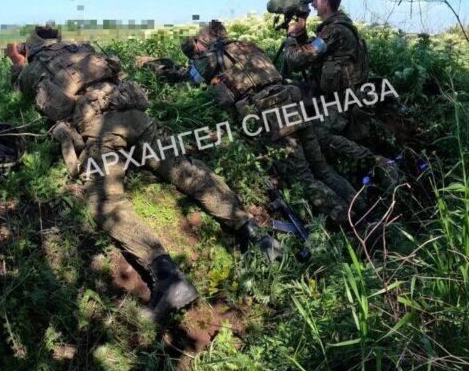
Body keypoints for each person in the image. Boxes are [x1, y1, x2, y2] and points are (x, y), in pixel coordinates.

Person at [5, 26, 280, 319]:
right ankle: (256, 235)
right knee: (185, 168)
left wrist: (18, 64)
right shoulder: (80, 50)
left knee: (105, 202)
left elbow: (21, 93)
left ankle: (168, 278)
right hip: (136, 116)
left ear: (30, 49)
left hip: (102, 131)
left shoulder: (35, 67)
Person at [143, 20, 365, 226]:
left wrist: (158, 67)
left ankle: (354, 222)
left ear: (204, 42)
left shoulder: (212, 56)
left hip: (271, 114)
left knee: (303, 177)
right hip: (292, 101)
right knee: (322, 168)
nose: (197, 50)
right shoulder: (248, 45)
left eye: (197, 45)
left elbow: (189, 83)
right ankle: (365, 208)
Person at [283, 0, 399, 185]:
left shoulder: (335, 30)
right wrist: (301, 33)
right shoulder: (335, 27)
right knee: (288, 89)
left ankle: (377, 162)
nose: (313, 3)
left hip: (342, 101)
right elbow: (311, 55)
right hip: (333, 95)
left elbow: (296, 60)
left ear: (325, 1)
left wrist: (291, 37)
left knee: (317, 133)